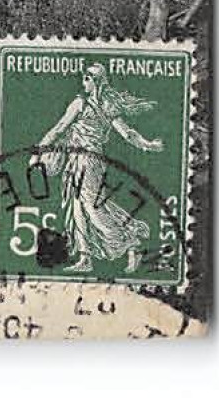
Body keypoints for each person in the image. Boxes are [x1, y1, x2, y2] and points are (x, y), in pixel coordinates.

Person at [38, 63, 164, 273]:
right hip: (75, 160)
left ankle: (130, 241)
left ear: (95, 81)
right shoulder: (92, 104)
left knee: (91, 207)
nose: (83, 82)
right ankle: (85, 257)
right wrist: (40, 150)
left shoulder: (89, 104)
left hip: (89, 161)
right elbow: (60, 129)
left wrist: (148, 145)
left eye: (87, 78)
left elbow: (126, 133)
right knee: (77, 208)